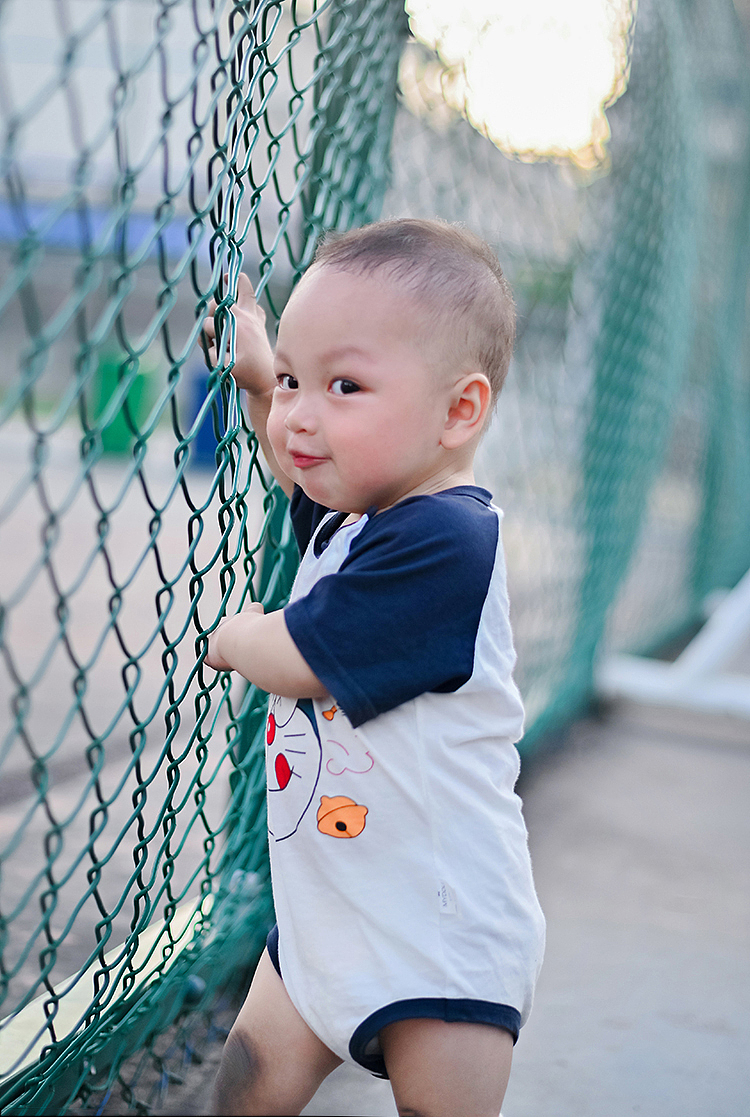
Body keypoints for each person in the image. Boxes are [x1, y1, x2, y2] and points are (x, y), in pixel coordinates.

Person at [202, 218, 545, 1117]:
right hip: (328, 914)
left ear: (458, 411)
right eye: (294, 383)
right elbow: (295, 460)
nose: (301, 413)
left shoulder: (447, 539)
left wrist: (235, 634)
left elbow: (303, 656)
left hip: (440, 925)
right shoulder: (362, 517)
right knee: (248, 1081)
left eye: (344, 384)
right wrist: (257, 373)